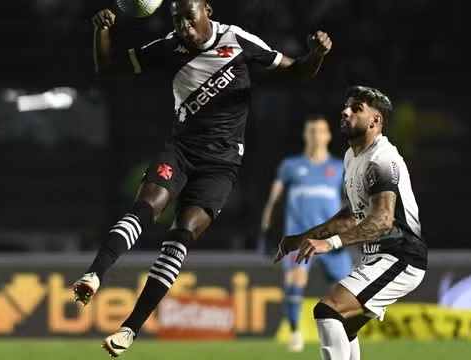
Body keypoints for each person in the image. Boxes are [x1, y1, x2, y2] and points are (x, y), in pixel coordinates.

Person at [74, 0, 333, 356]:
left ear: (207, 11)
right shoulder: (169, 46)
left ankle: (129, 329)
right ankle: (95, 274)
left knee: (180, 237)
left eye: (189, 18)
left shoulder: (237, 40)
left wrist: (315, 54)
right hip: (179, 151)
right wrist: (101, 31)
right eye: (177, 19)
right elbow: (108, 68)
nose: (184, 27)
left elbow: (298, 72)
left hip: (221, 165)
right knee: (146, 207)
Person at [275, 86, 427, 360]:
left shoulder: (382, 159)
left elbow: (382, 219)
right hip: (379, 257)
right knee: (342, 325)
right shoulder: (352, 157)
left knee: (328, 309)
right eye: (346, 107)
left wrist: (329, 244)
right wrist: (301, 239)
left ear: (375, 121)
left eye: (356, 109)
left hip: (401, 256)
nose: (345, 111)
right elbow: (350, 215)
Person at [261, 116, 352, 352]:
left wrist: (351, 231)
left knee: (346, 289)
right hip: (299, 238)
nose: (315, 135)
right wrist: (265, 231)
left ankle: (346, 335)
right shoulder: (291, 166)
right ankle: (294, 333)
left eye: (320, 131)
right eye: (311, 131)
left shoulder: (338, 168)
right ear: (305, 135)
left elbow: (352, 203)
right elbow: (273, 201)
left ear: (328, 136)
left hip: (330, 240)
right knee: (295, 281)